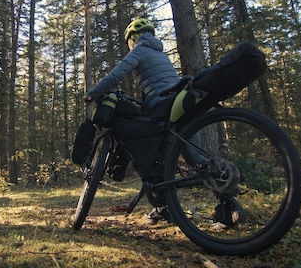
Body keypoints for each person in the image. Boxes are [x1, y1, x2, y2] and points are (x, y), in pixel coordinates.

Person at [83, 18, 246, 227]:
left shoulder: (139, 51)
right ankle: (229, 207)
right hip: (181, 103)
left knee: (146, 151)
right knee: (195, 157)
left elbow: (117, 75)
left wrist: (93, 94)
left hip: (164, 105)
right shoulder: (160, 53)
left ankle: (163, 206)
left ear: (133, 38)